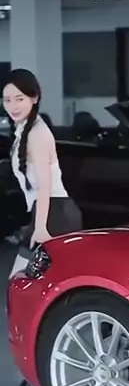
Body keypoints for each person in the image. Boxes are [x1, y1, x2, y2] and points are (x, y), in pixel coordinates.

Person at [4, 69, 83, 275]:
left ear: (34, 98)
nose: (12, 106)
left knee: (22, 279)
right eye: (7, 100)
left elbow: (44, 184)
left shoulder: (37, 133)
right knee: (31, 282)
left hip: (54, 213)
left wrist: (40, 227)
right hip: (51, 211)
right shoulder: (25, 130)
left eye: (19, 99)